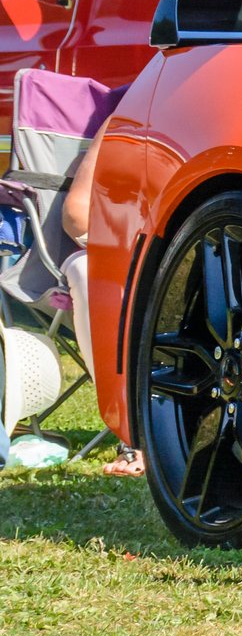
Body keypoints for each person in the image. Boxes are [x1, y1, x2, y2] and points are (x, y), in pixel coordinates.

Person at [60, 145, 139, 477]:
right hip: (121, 252)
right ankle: (134, 436)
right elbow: (76, 215)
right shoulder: (125, 124)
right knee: (87, 272)